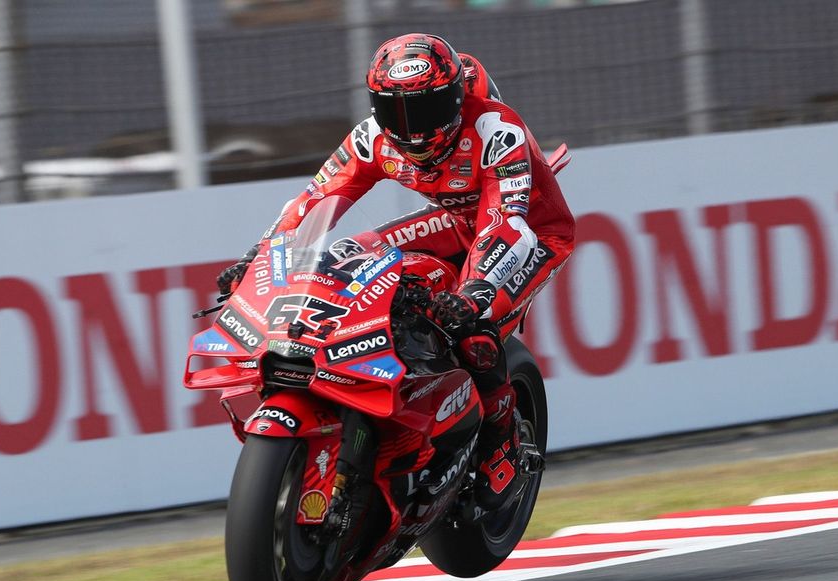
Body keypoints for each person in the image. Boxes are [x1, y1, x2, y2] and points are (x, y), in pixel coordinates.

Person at [218, 33, 576, 510]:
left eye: (424, 112)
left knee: (473, 328)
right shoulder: (372, 137)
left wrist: (473, 293)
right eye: (395, 112)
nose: (410, 129)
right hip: (455, 219)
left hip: (530, 232)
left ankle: (501, 439)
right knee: (350, 256)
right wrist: (259, 257)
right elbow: (315, 201)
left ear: (452, 101)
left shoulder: (496, 132)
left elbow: (505, 222)